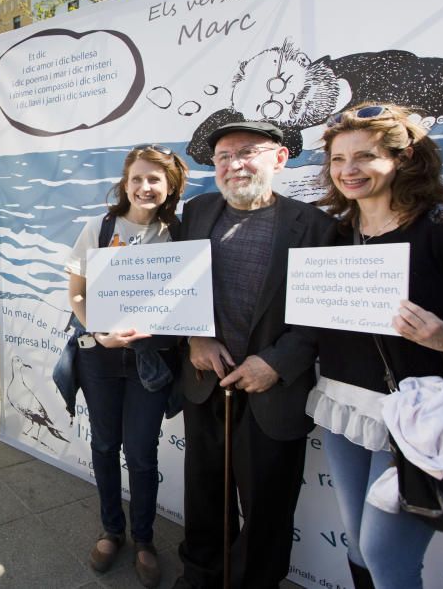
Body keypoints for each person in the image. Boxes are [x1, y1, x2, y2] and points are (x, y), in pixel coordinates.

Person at [307, 104, 443, 589]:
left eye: (365, 157)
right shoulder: (335, 235)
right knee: (360, 545)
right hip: (345, 406)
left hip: (421, 417)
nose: (349, 171)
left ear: (403, 159)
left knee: (385, 553)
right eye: (338, 160)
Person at [173, 122, 334, 589]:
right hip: (205, 384)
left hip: (273, 392)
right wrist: (194, 339)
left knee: (267, 508)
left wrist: (277, 363)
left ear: (280, 158)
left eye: (247, 152)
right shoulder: (198, 211)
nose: (233, 164)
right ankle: (198, 578)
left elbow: (324, 314)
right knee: (204, 497)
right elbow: (178, 287)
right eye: (223, 156)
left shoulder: (317, 226)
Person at [64, 144, 188, 588]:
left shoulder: (179, 232)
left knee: (140, 452)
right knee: (103, 446)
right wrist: (97, 331)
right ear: (125, 182)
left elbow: (189, 299)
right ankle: (111, 530)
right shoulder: (99, 228)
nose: (145, 186)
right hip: (100, 357)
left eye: (155, 179)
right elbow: (75, 294)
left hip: (150, 361)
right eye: (137, 178)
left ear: (170, 185)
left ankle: (144, 540)